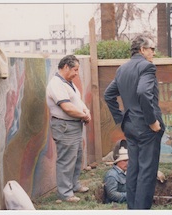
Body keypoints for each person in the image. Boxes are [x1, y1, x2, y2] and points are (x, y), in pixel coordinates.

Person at [104, 34, 165, 209]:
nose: (153, 52)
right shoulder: (147, 67)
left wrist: (121, 118)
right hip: (146, 127)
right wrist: (152, 120)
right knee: (147, 171)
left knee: (134, 169)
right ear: (142, 50)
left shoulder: (122, 69)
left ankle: (133, 208)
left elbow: (108, 95)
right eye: (151, 49)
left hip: (130, 125)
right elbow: (143, 93)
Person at [46, 55, 91, 203]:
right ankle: (65, 193)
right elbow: (67, 108)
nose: (77, 73)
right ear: (66, 67)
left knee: (77, 157)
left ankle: (74, 185)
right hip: (65, 126)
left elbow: (77, 101)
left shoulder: (68, 83)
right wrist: (84, 116)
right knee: (66, 160)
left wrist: (86, 111)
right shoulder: (56, 84)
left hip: (74, 125)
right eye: (75, 69)